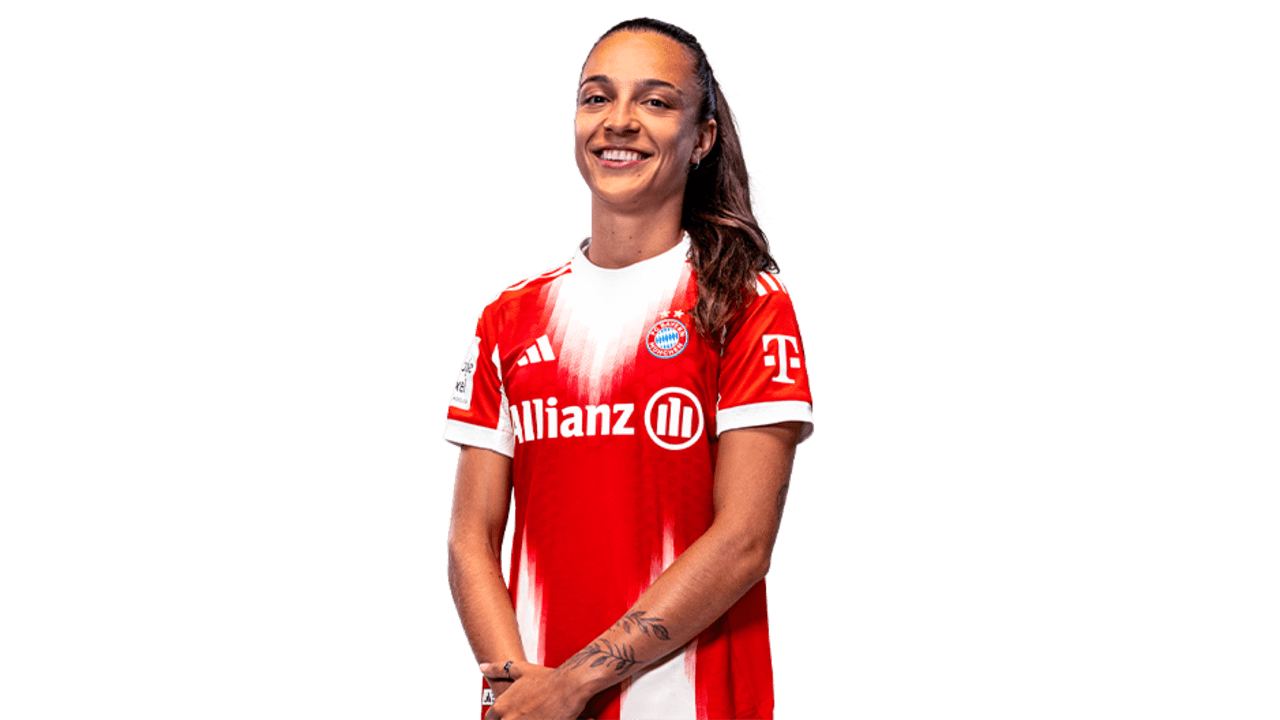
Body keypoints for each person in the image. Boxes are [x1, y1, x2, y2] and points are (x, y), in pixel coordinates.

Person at [443, 17, 814, 720]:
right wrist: (518, 690)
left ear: (701, 139)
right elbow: (470, 537)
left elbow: (744, 541)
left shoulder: (745, 301)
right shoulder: (508, 317)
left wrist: (574, 684)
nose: (619, 121)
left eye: (656, 101)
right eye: (597, 97)